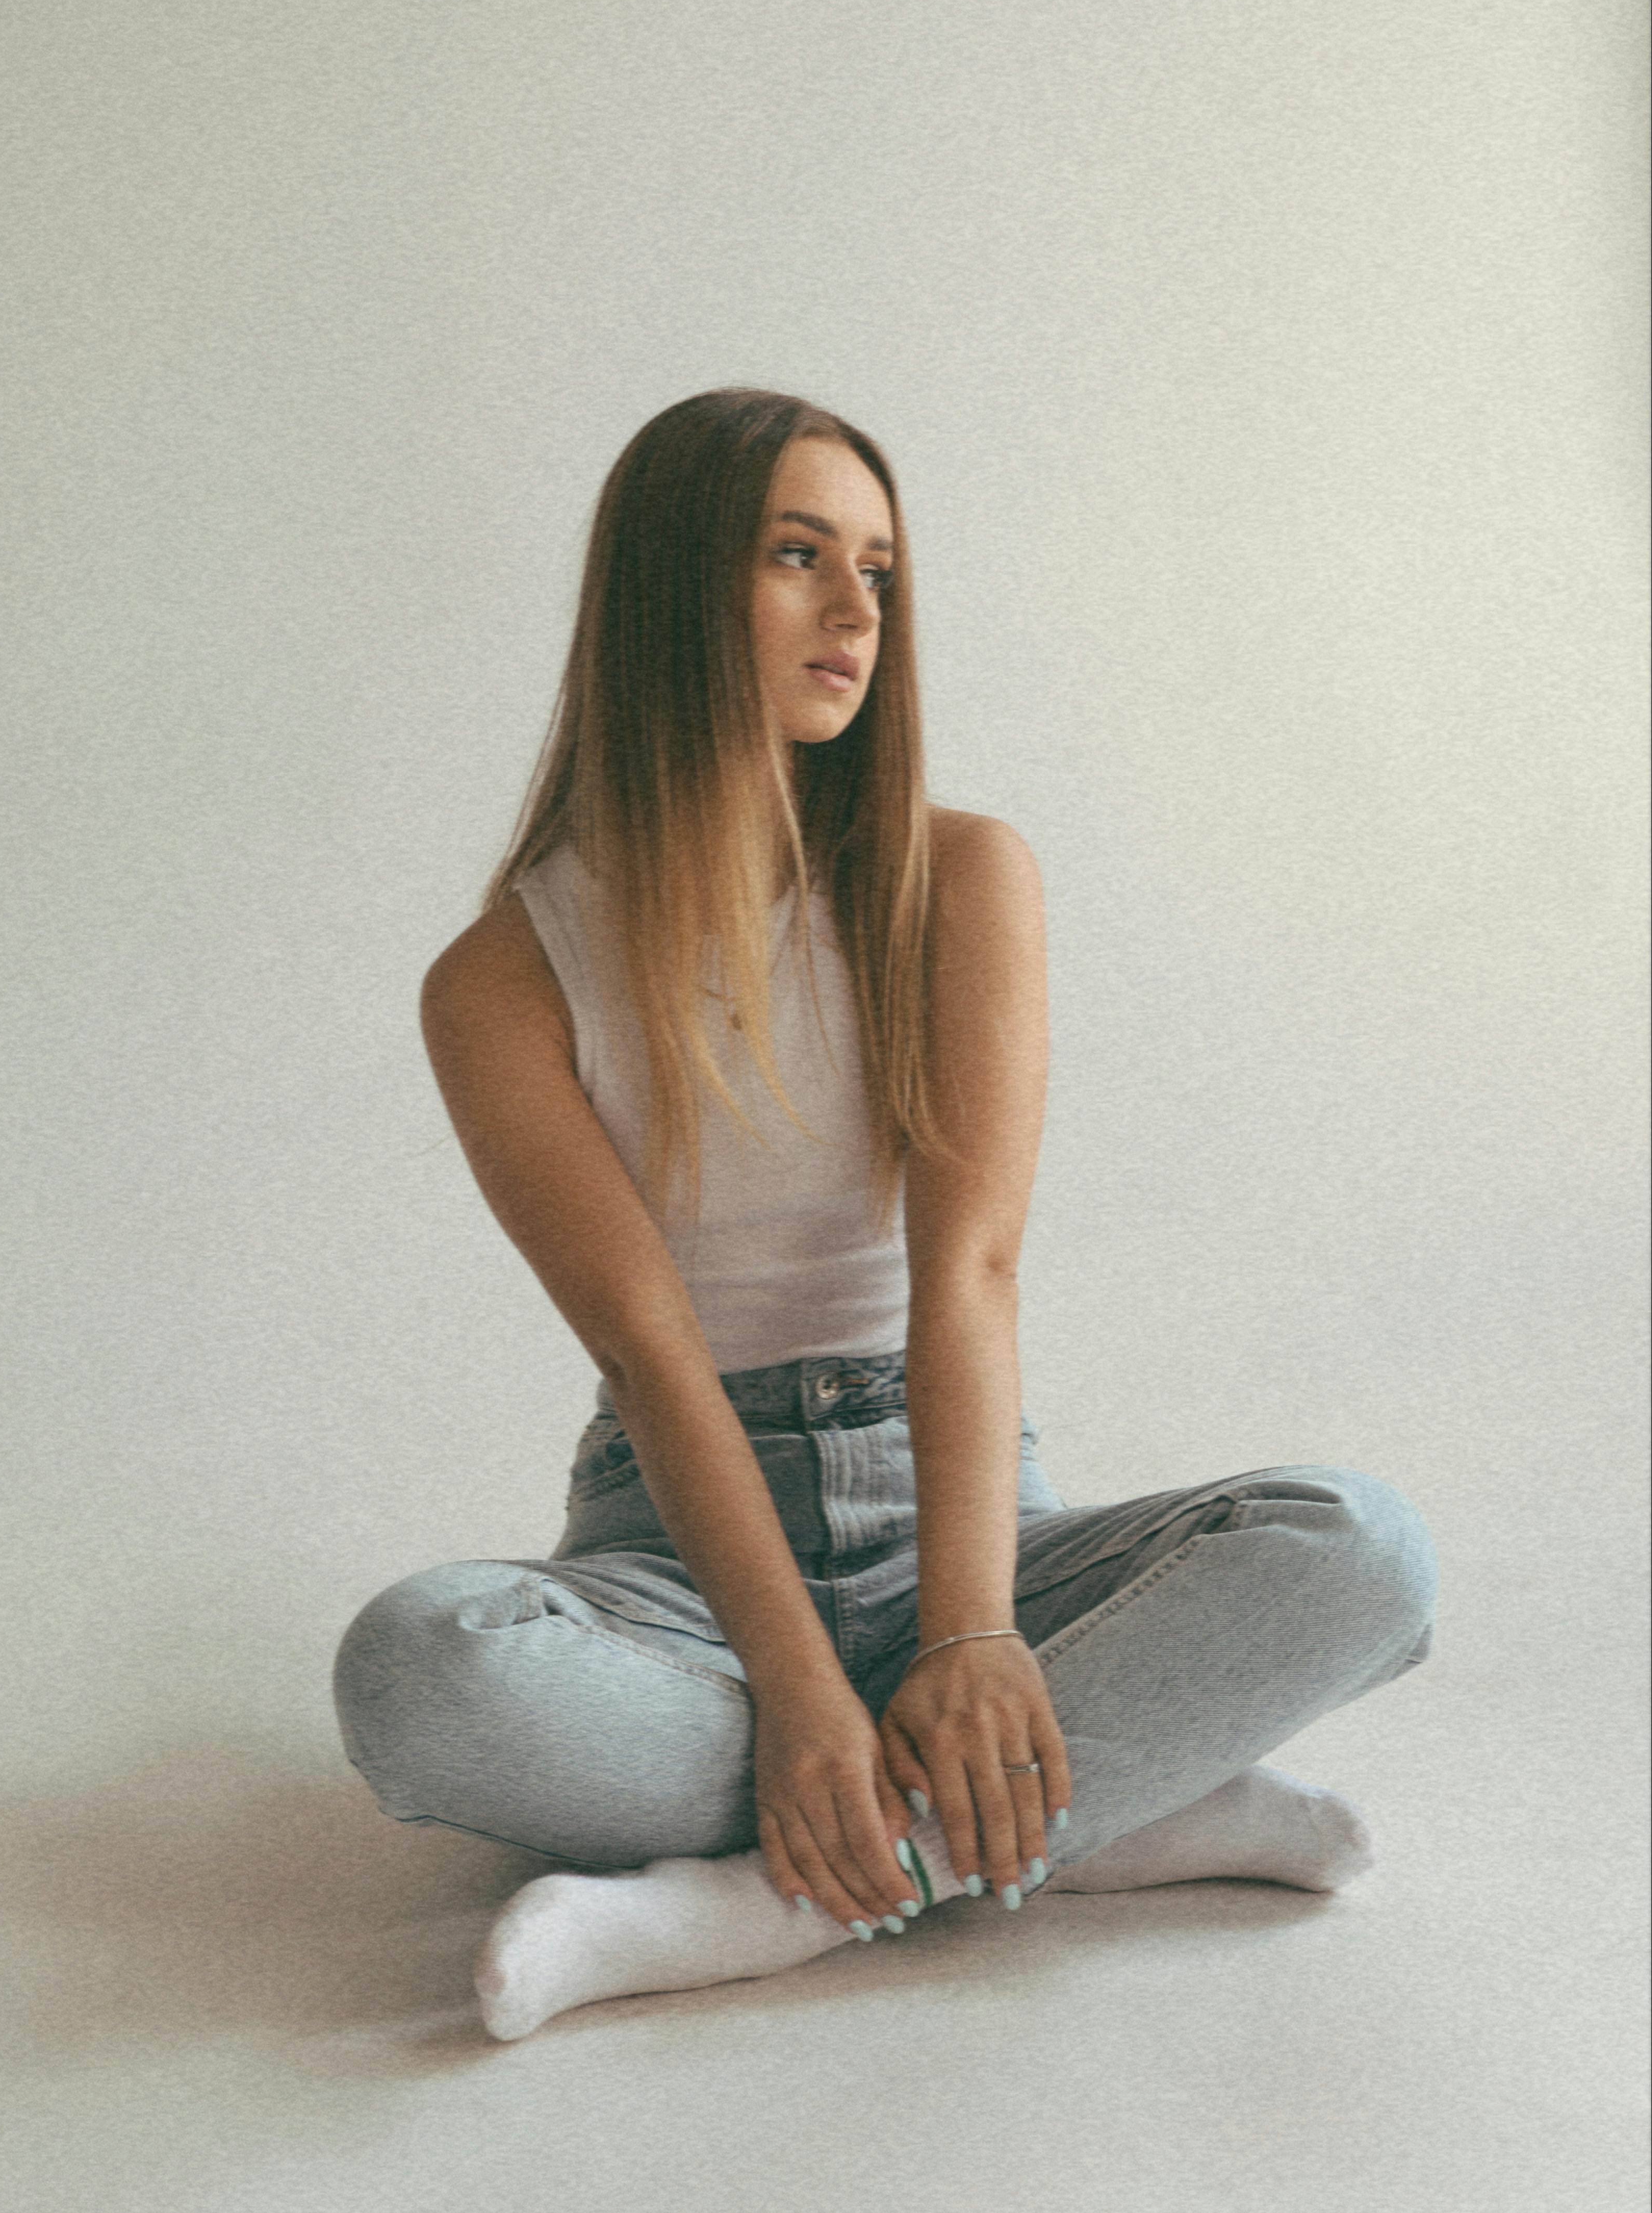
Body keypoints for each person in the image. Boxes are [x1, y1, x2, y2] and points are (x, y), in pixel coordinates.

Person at [332, 387, 1437, 2042]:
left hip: (958, 1507)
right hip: (681, 1555)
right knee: (414, 1674)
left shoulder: (963, 881)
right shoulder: (499, 979)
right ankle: (1083, 1819)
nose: (857, 610)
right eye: (798, 556)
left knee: (1365, 1552)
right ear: (670, 591)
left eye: (880, 571)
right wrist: (792, 1688)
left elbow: (971, 1276)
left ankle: (752, 1907)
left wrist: (976, 1627)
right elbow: (647, 1349)